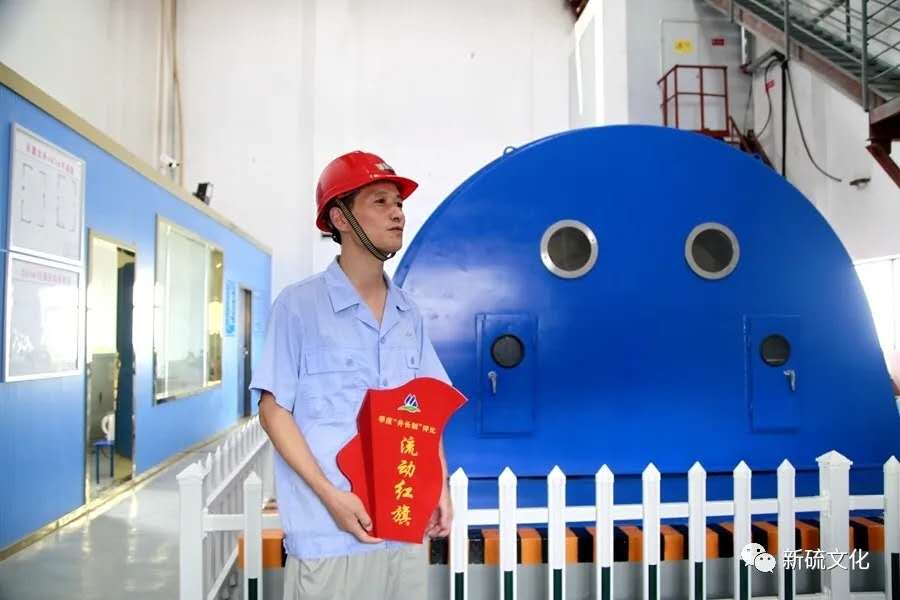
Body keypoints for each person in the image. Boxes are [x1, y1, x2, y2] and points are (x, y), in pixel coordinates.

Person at [251, 151, 452, 600]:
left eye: (398, 203)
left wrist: (437, 482)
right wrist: (331, 496)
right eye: (380, 201)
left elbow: (425, 407)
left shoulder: (407, 313)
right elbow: (273, 411)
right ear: (340, 218)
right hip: (329, 534)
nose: (397, 213)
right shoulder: (299, 307)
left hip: (403, 528)